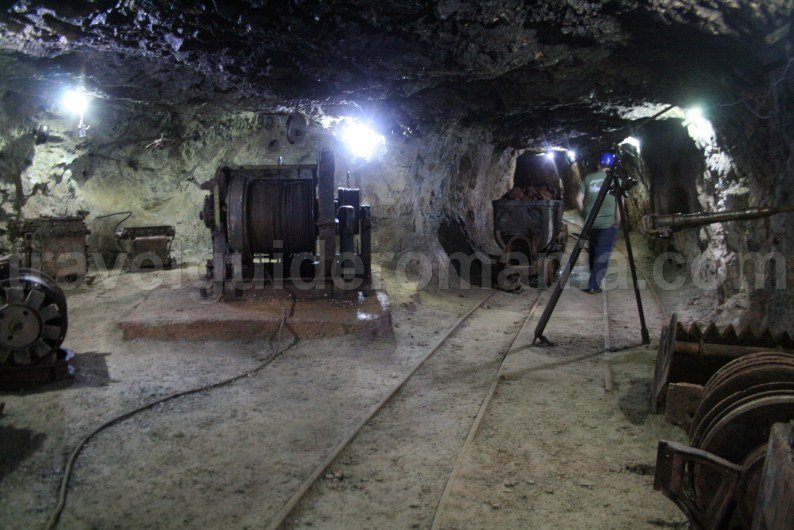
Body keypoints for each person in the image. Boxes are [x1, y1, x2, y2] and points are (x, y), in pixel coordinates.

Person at [576, 152, 621, 294]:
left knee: (593, 249)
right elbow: (620, 204)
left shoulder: (589, 178)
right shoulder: (617, 181)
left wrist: (585, 215)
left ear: (598, 164)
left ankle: (593, 277)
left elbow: (578, 199)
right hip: (608, 223)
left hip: (591, 222)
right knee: (602, 253)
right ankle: (594, 285)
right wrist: (618, 221)